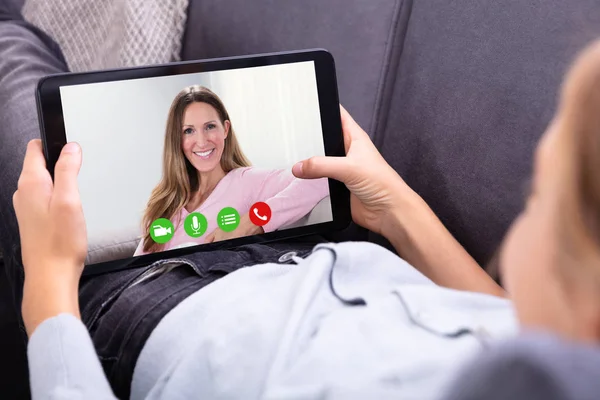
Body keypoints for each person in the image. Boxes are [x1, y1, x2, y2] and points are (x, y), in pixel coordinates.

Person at [13, 38, 600, 399]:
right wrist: (395, 205)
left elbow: (299, 187)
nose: (201, 138)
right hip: (314, 256)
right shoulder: (558, 360)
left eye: (537, 197)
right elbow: (513, 320)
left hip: (180, 305)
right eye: (189, 130)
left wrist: (48, 289)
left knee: (17, 81)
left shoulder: (252, 179)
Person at [134, 85, 329, 255]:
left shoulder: (247, 181)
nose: (202, 142)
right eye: (189, 131)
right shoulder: (166, 203)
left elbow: (323, 176)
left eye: (210, 126)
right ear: (177, 139)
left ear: (225, 129)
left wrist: (253, 222)